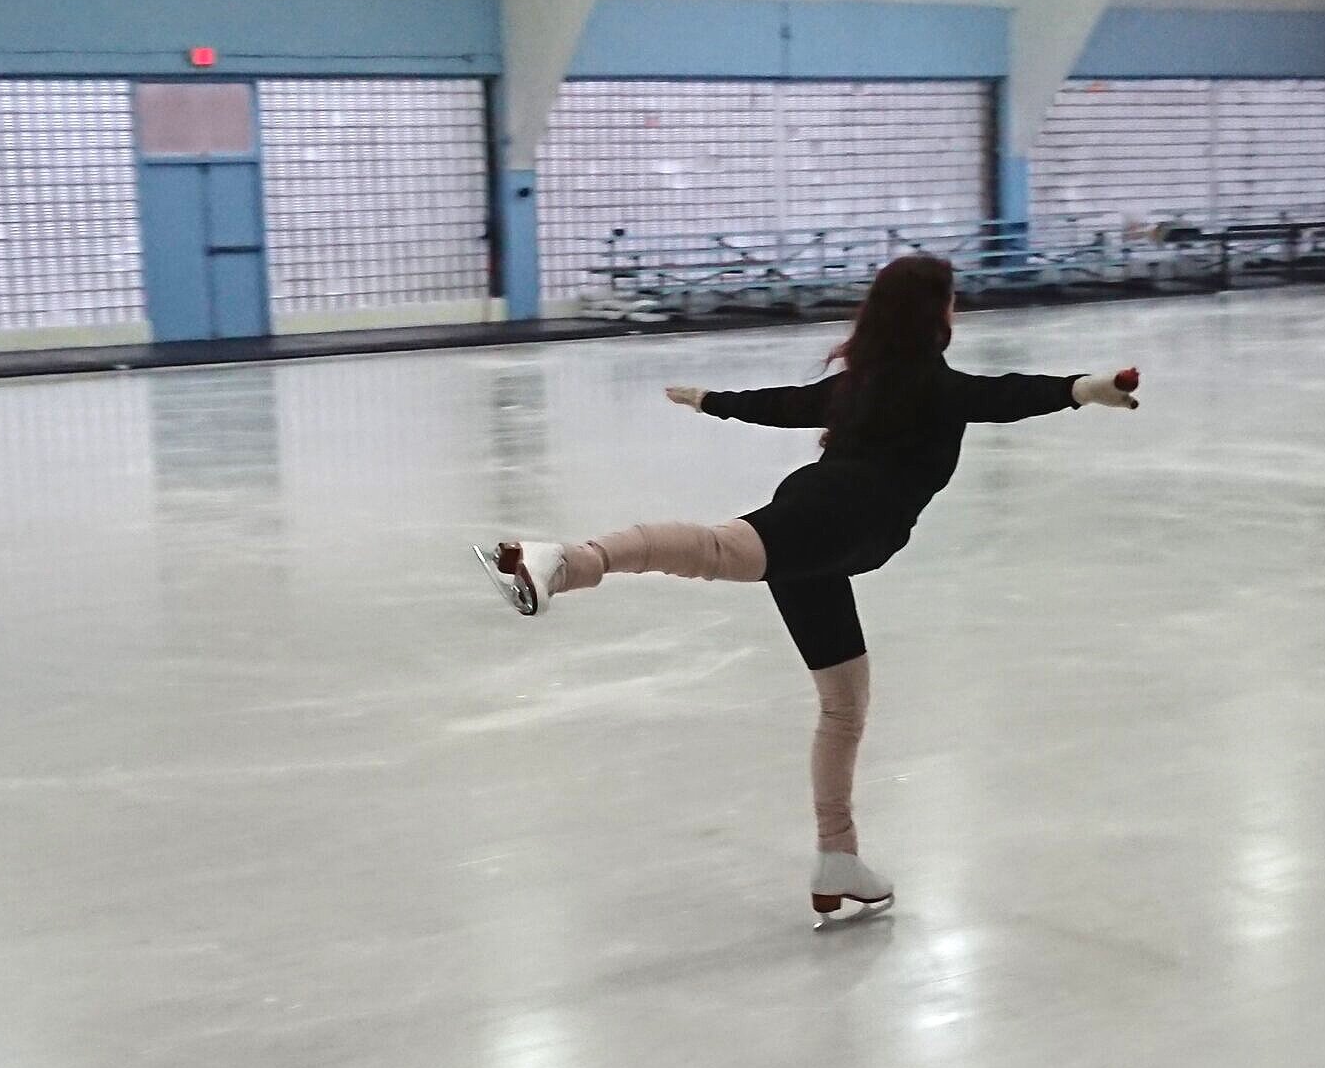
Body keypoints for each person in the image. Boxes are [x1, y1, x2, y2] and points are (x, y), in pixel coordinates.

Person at [480, 253, 1140, 926]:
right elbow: (1007, 395)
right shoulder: (933, 387)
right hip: (838, 521)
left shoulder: (864, 383)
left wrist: (714, 402)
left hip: (826, 531)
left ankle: (838, 856)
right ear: (936, 313)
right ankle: (564, 561)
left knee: (844, 702)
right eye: (951, 299)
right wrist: (1086, 388)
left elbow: (789, 405)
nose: (955, 309)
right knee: (718, 551)